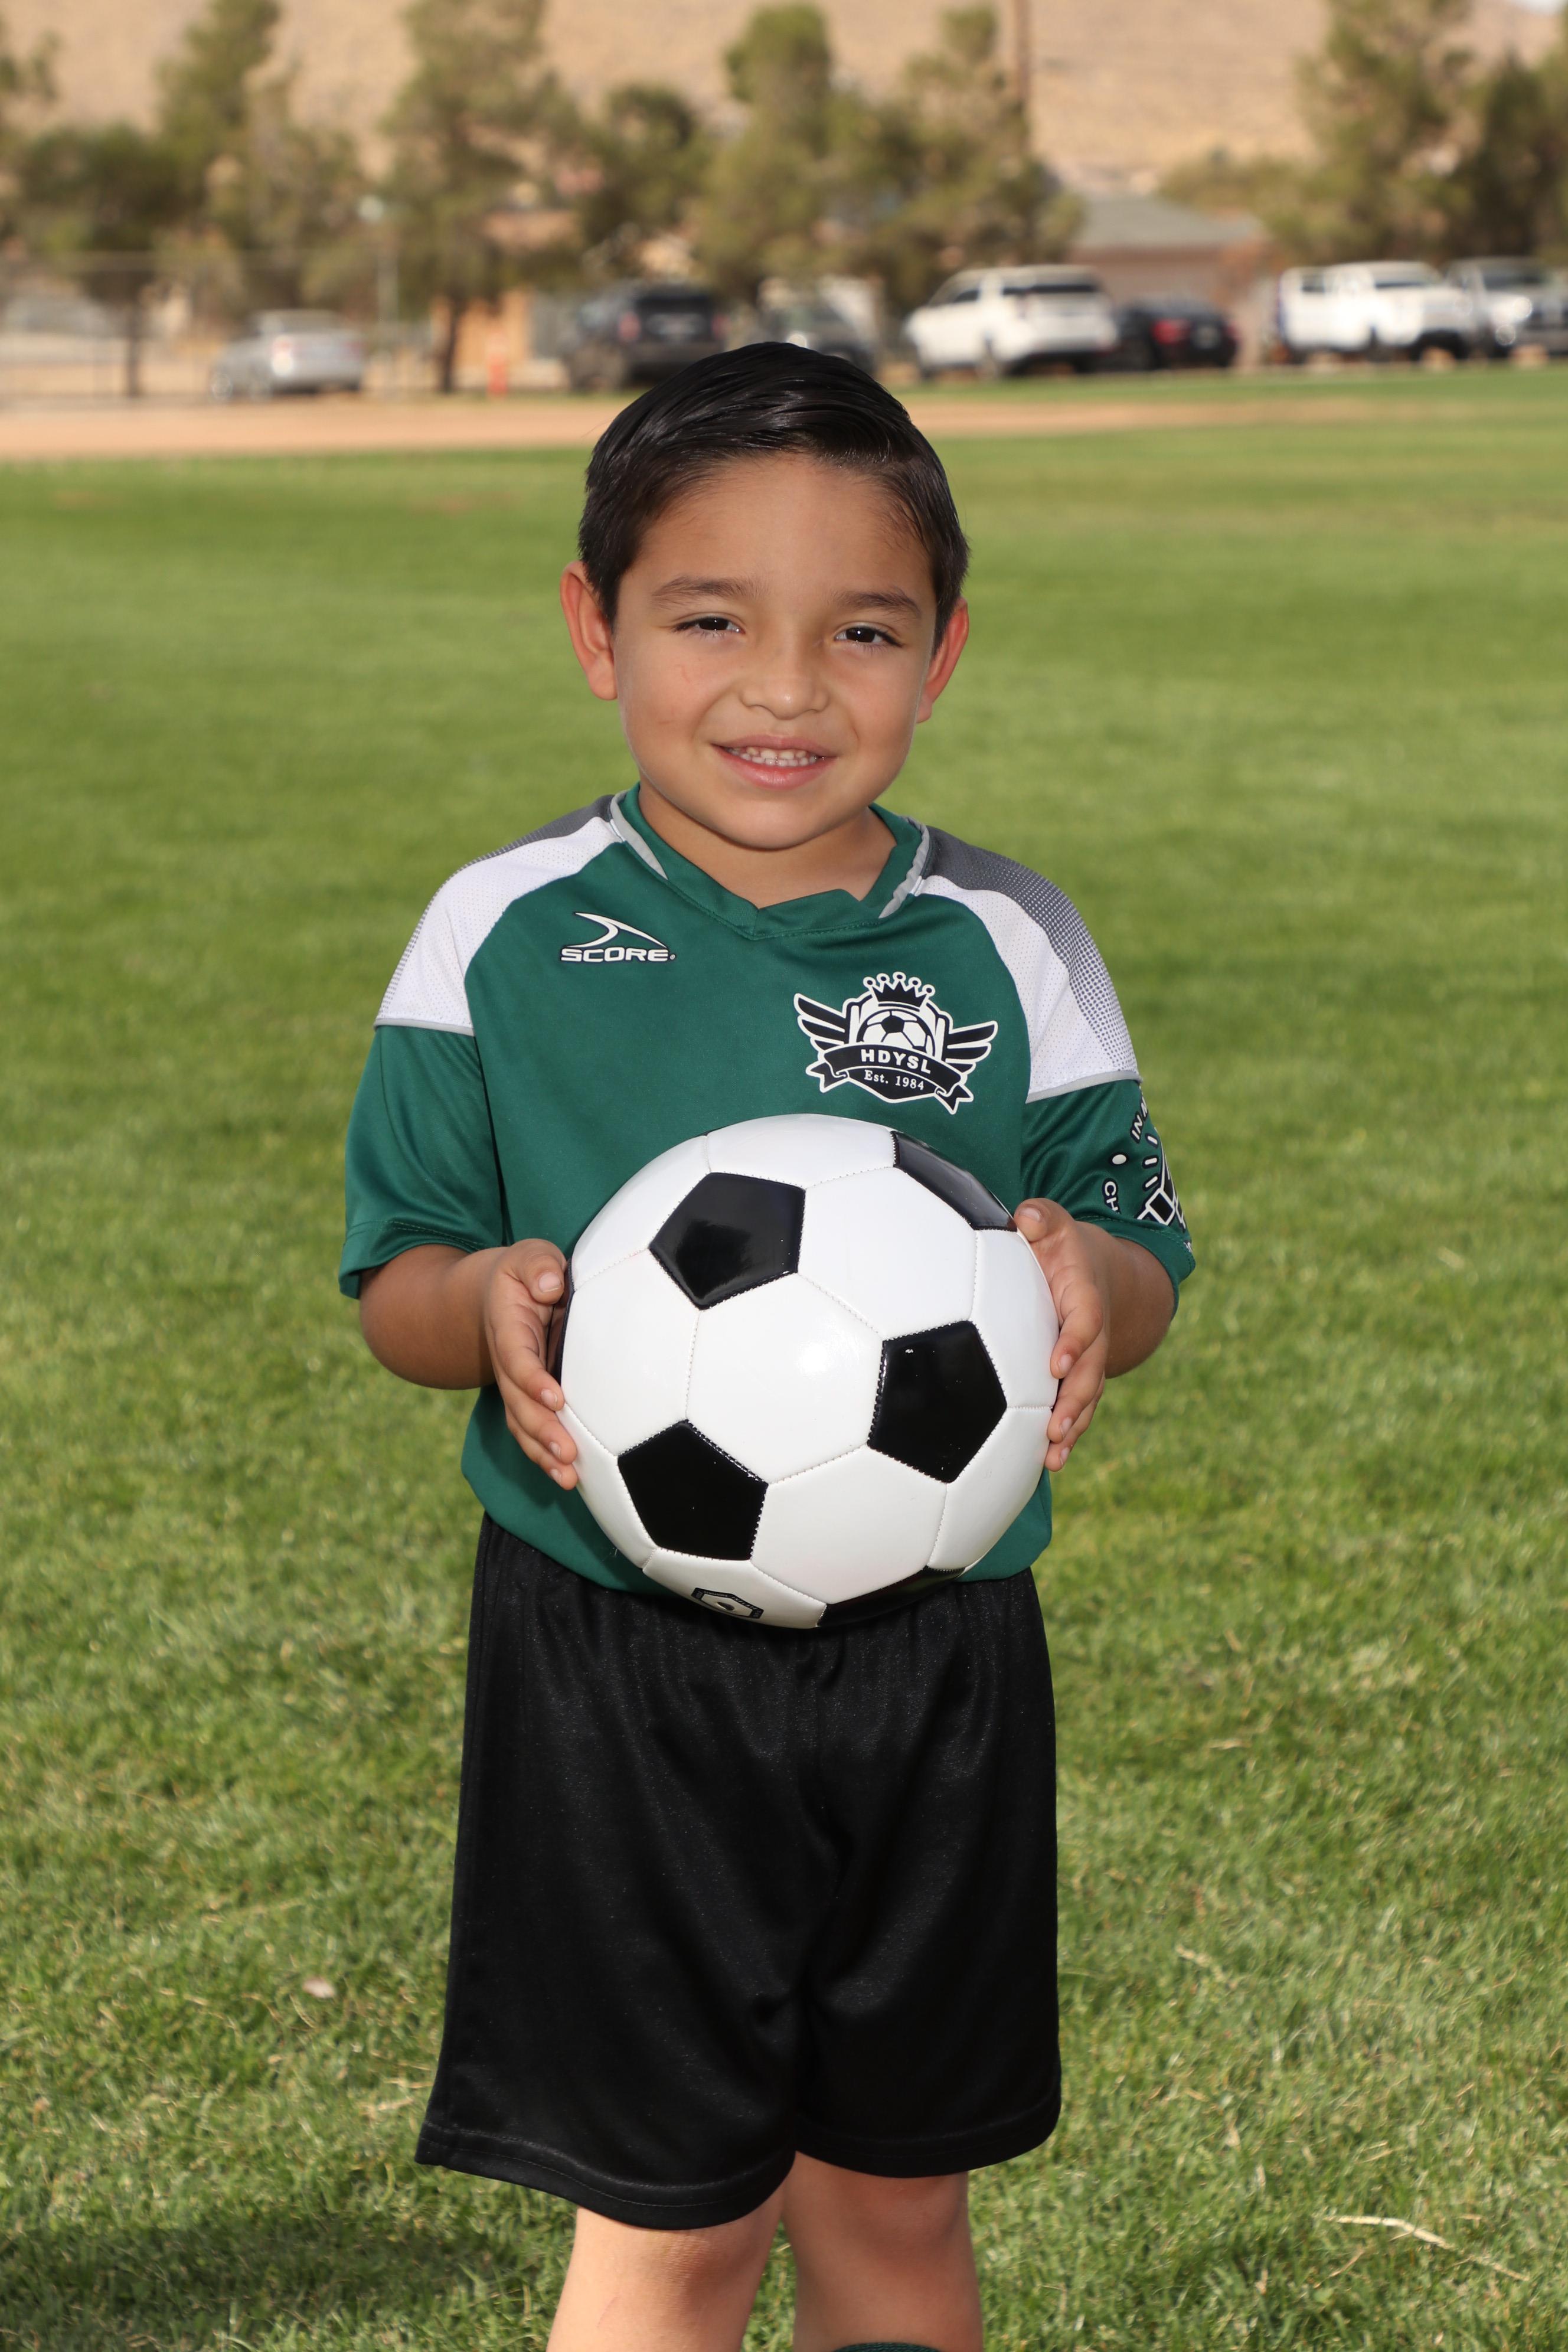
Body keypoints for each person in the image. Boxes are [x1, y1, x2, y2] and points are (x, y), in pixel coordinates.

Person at [339, 345, 1194, 2352]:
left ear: (943, 652)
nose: (786, 688)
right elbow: (397, 1276)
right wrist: (483, 1307)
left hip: (939, 1651)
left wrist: (1094, 1284)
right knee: (673, 2226)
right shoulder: (502, 931)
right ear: (596, 628)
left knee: (897, 2203)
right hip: (612, 1657)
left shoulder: (1009, 938)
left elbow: (1139, 1238)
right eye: (711, 620)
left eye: (861, 631)